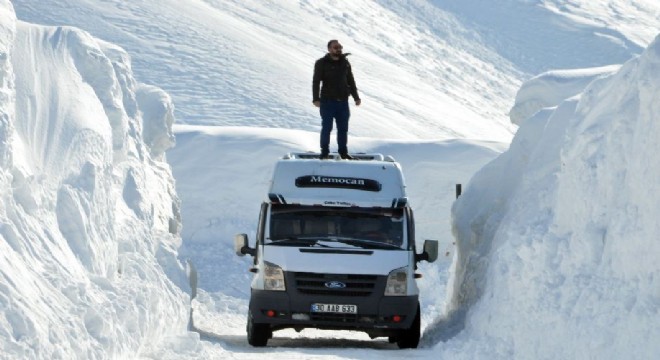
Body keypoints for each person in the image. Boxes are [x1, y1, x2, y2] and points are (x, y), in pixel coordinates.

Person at [312, 39, 361, 160]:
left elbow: (350, 80)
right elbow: (316, 81)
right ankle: (324, 152)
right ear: (329, 49)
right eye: (335, 47)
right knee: (327, 127)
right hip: (327, 102)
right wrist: (315, 98)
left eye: (340, 47)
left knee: (343, 129)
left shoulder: (345, 62)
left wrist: (356, 97)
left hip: (343, 102)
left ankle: (343, 152)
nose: (338, 49)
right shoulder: (321, 63)